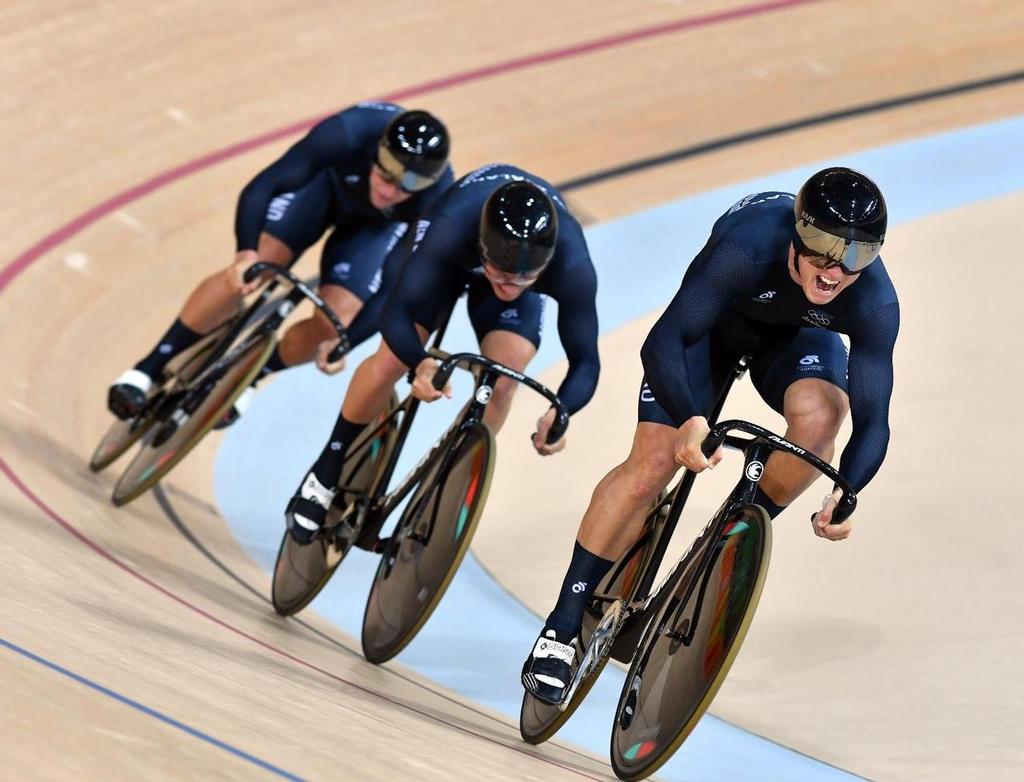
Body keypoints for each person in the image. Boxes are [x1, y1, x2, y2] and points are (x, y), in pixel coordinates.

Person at [521, 167, 899, 704]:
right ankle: (560, 625)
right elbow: (664, 341)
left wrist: (848, 489)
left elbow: (873, 419)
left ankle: (733, 536)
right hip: (711, 328)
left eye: (857, 256)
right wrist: (690, 419)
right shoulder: (747, 246)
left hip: (792, 339)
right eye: (821, 249)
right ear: (797, 232)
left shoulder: (875, 303)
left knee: (821, 419)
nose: (836, 270)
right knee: (652, 466)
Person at [284, 164, 601, 545]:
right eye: (499, 273)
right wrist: (420, 362)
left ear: (545, 265)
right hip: (447, 258)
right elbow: (396, 312)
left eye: (521, 280)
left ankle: (447, 488)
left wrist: (562, 411)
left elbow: (585, 360)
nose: (507, 285)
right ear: (483, 248)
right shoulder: (451, 227)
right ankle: (327, 468)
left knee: (505, 377)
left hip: (491, 254)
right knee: (392, 359)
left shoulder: (573, 264)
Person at [107, 102, 453, 423]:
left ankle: (253, 375)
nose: (391, 192)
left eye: (408, 186)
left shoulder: (436, 202)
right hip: (322, 189)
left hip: (374, 229)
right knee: (253, 270)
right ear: (378, 150)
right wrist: (245, 254)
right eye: (387, 175)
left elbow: (396, 285)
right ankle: (148, 369)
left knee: (336, 323)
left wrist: (346, 343)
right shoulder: (348, 132)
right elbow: (264, 186)